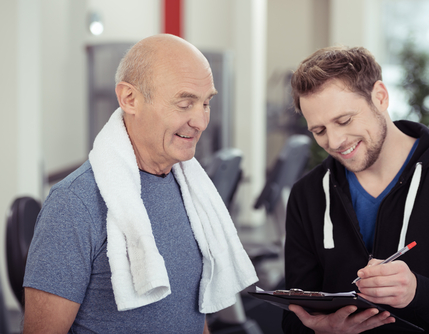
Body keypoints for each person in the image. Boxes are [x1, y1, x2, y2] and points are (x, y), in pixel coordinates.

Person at [23, 34, 257, 333]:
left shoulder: (191, 190)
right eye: (185, 103)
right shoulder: (74, 204)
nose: (201, 121)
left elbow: (192, 314)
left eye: (206, 103)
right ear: (129, 99)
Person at [282, 45, 429, 333]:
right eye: (319, 131)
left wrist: (419, 293)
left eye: (344, 120)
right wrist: (320, 330)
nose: (334, 142)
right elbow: (294, 315)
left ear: (380, 97)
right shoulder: (307, 196)